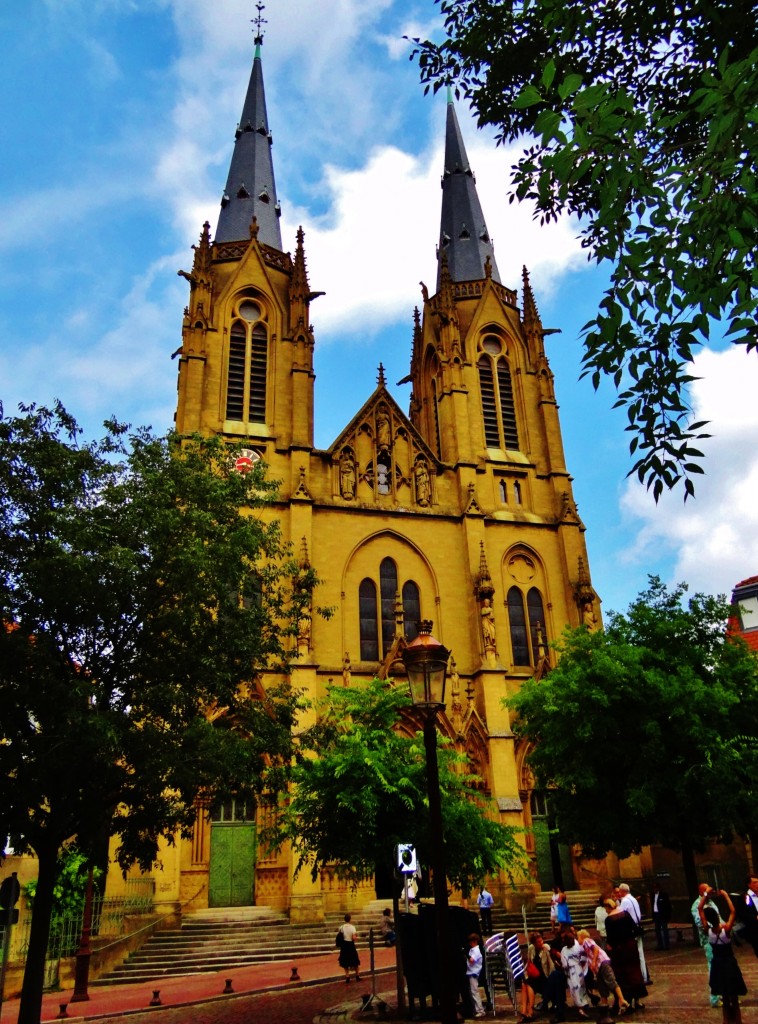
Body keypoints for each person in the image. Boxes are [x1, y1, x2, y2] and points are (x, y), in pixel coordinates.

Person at [698, 888, 747, 1024]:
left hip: (717, 964)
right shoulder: (725, 929)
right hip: (729, 963)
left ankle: (726, 1021)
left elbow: (700, 908)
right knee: (734, 995)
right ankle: (737, 1021)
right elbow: (733, 911)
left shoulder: (708, 930)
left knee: (725, 996)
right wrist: (725, 895)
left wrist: (705, 894)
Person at [604, 898, 648, 1011]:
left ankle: (624, 1000)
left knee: (622, 975)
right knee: (635, 972)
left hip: (620, 950)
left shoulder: (609, 920)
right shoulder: (625, 914)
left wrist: (610, 947)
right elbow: (635, 928)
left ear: (608, 907)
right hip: (631, 947)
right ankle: (637, 1000)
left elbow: (611, 938)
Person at [577, 928, 629, 1016]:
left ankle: (622, 999)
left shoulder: (587, 941)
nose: (577, 940)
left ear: (582, 937)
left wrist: (593, 961)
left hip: (602, 962)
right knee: (601, 985)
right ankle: (604, 1004)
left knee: (611, 980)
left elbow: (596, 949)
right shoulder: (584, 948)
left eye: (578, 937)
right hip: (598, 968)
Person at [692, 882, 724, 1009]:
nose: (709, 892)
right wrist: (714, 928)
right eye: (706, 890)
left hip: (719, 938)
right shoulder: (696, 905)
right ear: (701, 891)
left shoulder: (711, 903)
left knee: (722, 967)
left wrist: (724, 926)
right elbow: (700, 923)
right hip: (709, 940)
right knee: (713, 967)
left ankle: (724, 994)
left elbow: (719, 918)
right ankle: (715, 997)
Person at [618, 882, 650, 984]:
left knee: (633, 954)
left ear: (623, 891)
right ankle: (644, 975)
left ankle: (637, 977)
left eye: (619, 891)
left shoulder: (625, 901)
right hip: (638, 927)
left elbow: (621, 916)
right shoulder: (633, 899)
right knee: (640, 953)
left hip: (631, 929)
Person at [560, 926, 591, 1019]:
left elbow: (564, 964)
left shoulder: (564, 950)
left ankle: (581, 1007)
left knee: (576, 989)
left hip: (572, 970)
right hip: (578, 969)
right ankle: (582, 1005)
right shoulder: (578, 946)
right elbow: (584, 958)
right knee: (579, 988)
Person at [736, 874, 758, 957]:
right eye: (755, 882)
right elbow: (742, 913)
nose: (757, 884)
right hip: (755, 930)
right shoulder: (746, 897)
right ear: (749, 884)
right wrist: (755, 917)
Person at [466, 932, 486, 1019]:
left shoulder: (476, 951)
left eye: (471, 941)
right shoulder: (472, 950)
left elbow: (471, 960)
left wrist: (465, 955)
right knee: (472, 992)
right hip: (470, 972)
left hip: (474, 972)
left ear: (474, 941)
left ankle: (480, 1010)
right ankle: (477, 1009)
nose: (470, 943)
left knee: (475, 992)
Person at [337, 913, 361, 983]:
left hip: (344, 945)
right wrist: (357, 938)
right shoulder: (352, 927)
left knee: (345, 962)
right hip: (350, 945)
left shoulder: (341, 927)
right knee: (355, 961)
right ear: (350, 919)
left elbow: (340, 936)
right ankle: (357, 975)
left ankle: (347, 976)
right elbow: (353, 938)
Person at [651, 881, 672, 950]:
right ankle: (660, 945)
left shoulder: (664, 895)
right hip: (656, 914)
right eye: (653, 888)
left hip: (662, 915)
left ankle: (666, 945)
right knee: (657, 930)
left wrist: (667, 915)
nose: (655, 889)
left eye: (656, 888)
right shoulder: (652, 895)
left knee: (664, 930)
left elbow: (668, 906)